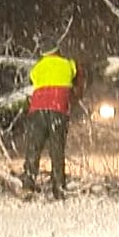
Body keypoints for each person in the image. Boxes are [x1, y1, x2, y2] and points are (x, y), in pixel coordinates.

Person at [20, 46, 79, 200]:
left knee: (33, 149)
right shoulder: (68, 64)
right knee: (57, 150)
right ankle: (58, 187)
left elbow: (33, 80)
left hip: (37, 110)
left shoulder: (37, 67)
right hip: (58, 109)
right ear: (58, 50)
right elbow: (75, 75)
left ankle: (28, 185)